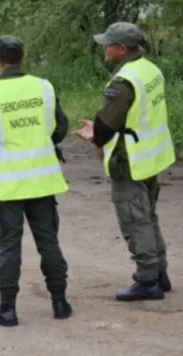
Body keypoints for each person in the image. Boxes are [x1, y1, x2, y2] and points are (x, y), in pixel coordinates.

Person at [0, 36, 72, 327]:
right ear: (23, 57)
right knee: (48, 241)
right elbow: (59, 128)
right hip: (43, 181)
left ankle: (8, 309)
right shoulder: (44, 87)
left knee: (9, 247)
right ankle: (60, 301)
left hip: (7, 185)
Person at [73, 22, 174, 301]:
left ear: (121, 48)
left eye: (108, 44)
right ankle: (160, 273)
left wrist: (95, 133)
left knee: (134, 220)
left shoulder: (123, 82)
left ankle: (147, 280)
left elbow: (108, 124)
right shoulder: (150, 69)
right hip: (151, 155)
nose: (105, 48)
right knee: (148, 216)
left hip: (129, 159)